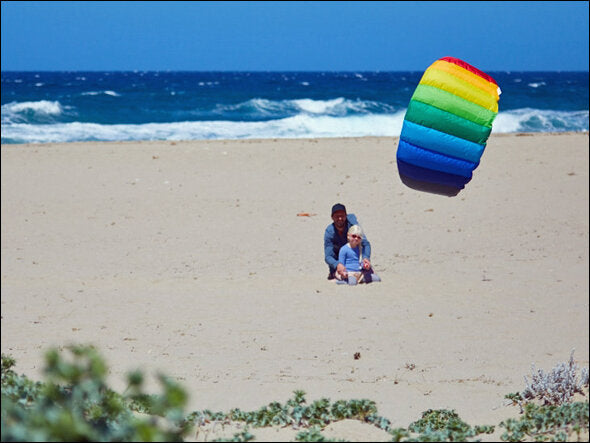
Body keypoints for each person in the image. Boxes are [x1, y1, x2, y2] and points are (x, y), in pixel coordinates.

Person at [324, 203, 372, 280]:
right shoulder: (329, 232)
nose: (340, 218)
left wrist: (366, 258)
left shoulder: (354, 227)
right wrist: (337, 265)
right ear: (332, 217)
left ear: (346, 216)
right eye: (337, 216)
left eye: (342, 216)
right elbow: (328, 256)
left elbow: (366, 244)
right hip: (339, 261)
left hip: (355, 259)